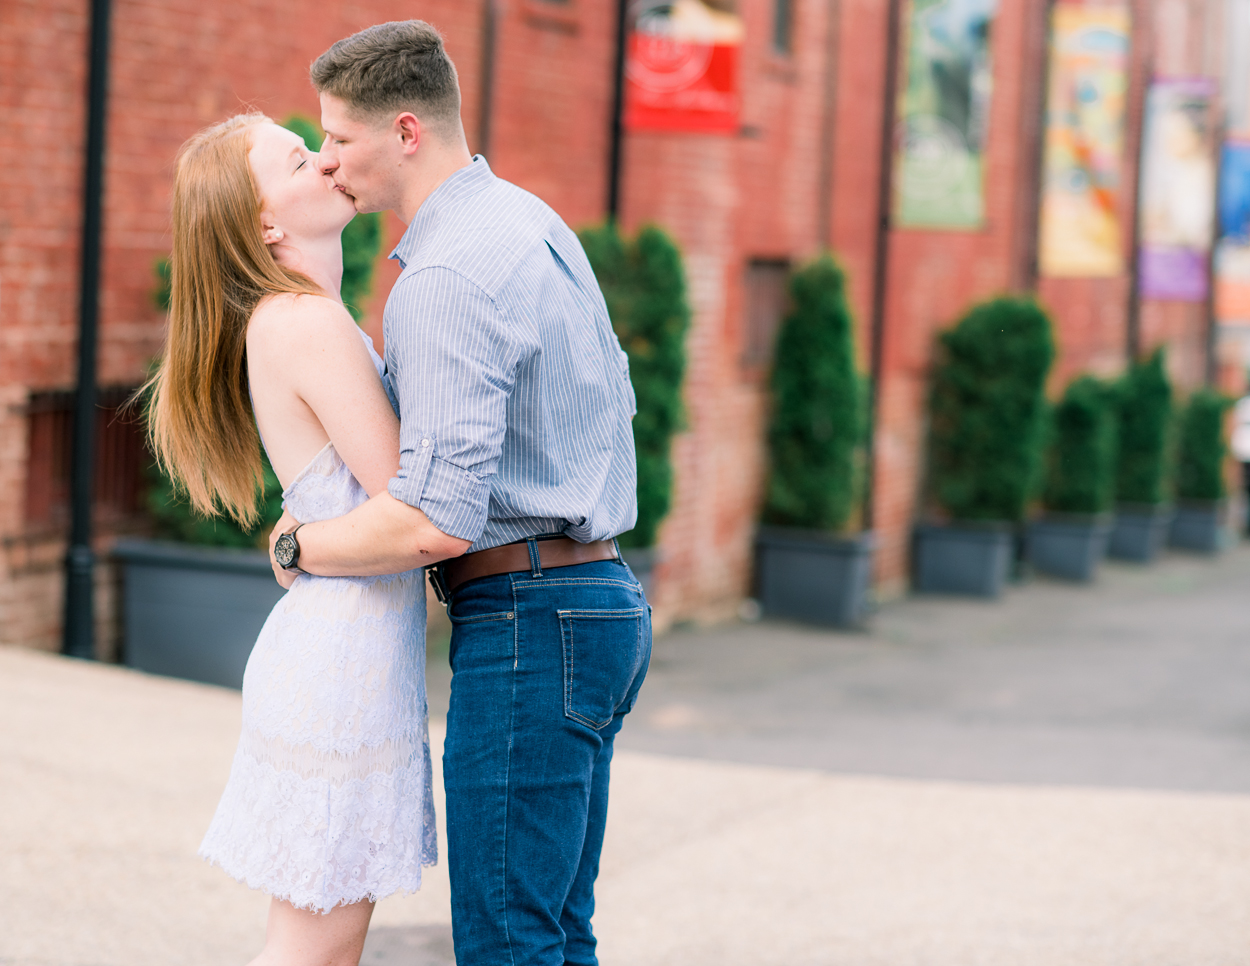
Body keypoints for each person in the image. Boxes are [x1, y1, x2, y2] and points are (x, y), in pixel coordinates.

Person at [265, 20, 651, 966]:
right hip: (594, 601)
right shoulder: (528, 221)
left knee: (507, 941)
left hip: (529, 615)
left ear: (405, 132)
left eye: (339, 140)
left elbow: (436, 521)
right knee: (557, 930)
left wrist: (297, 547)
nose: (328, 161)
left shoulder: (441, 277)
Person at [146, 113, 436, 965]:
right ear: (266, 224)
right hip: (340, 662)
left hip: (343, 651)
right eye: (302, 158)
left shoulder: (303, 319)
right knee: (314, 949)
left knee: (320, 945)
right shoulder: (303, 322)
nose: (330, 161)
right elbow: (408, 505)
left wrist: (296, 540)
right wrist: (297, 547)